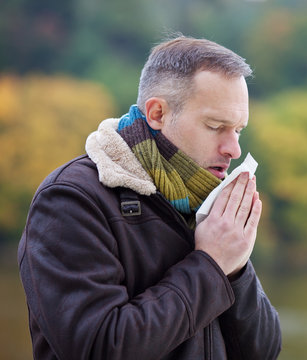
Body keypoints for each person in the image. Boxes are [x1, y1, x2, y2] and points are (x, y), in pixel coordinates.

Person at [18, 35, 282, 359]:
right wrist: (211, 264)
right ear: (157, 114)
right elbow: (101, 349)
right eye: (216, 126)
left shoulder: (206, 203)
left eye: (238, 130)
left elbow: (264, 352)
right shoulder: (70, 200)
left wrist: (236, 265)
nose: (234, 148)